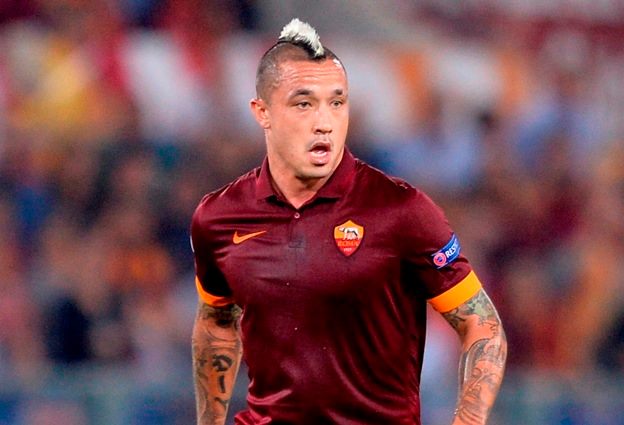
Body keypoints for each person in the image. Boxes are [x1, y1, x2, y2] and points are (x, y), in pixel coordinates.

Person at [190, 18, 507, 425]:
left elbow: (483, 325)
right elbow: (216, 321)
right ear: (262, 112)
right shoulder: (218, 218)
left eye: (336, 103)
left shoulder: (400, 209)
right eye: (304, 104)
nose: (324, 121)